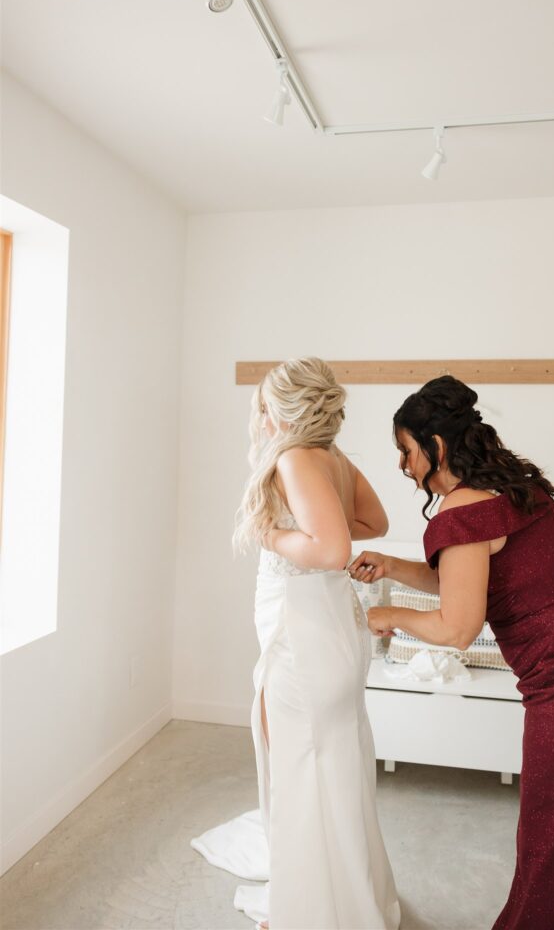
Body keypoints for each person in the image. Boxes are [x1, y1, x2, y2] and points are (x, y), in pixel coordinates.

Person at [350, 375, 554, 930]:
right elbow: (468, 583)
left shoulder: (460, 513)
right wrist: (392, 566)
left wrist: (386, 616)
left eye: (406, 452)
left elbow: (458, 626)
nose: (403, 466)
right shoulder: (505, 490)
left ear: (435, 447)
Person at [192, 357, 400, 930]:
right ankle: (344, 899)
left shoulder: (292, 457)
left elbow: (332, 550)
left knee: (301, 769)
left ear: (276, 409)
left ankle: (309, 912)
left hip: (305, 635)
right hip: (332, 627)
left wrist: (271, 532)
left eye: (262, 405)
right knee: (330, 766)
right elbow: (374, 520)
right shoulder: (332, 458)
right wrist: (320, 525)